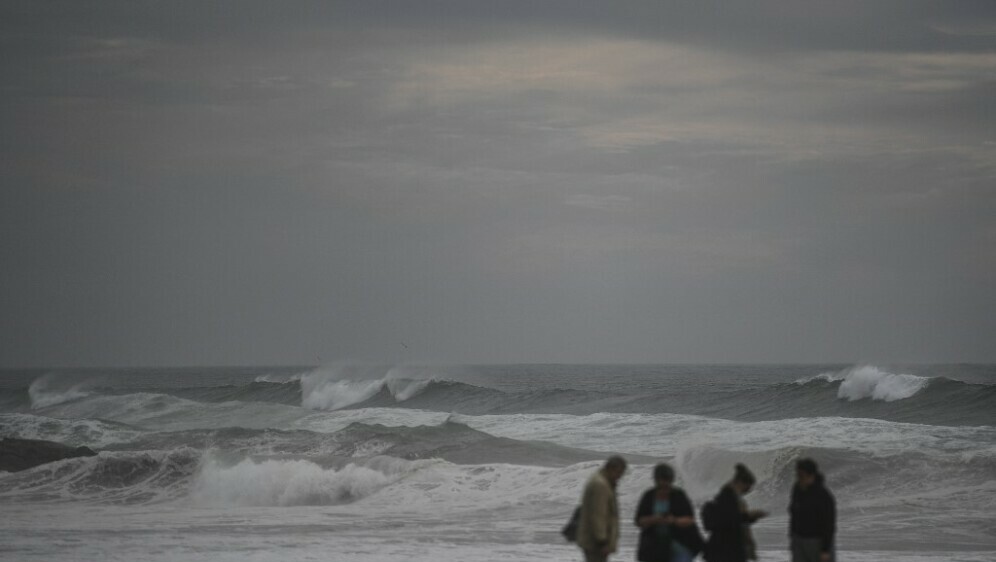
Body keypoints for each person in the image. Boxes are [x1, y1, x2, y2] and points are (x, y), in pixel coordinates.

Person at [634, 463, 705, 562]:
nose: (664, 487)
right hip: (653, 545)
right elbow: (639, 521)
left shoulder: (679, 496)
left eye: (667, 483)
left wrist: (674, 520)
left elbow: (690, 519)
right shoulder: (649, 496)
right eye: (661, 483)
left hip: (678, 542)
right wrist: (654, 519)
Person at [703, 463, 767, 562]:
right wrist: (749, 516)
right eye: (748, 487)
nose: (748, 491)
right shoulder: (728, 497)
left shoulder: (726, 497)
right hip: (726, 550)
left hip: (720, 549)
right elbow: (731, 521)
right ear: (740, 483)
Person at [578, 456, 627, 562]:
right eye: (618, 472)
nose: (619, 476)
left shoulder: (601, 480)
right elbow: (598, 515)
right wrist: (602, 542)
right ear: (610, 469)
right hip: (595, 543)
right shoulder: (601, 485)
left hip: (592, 540)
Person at [789, 458, 836, 562]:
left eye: (802, 476)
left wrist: (825, 550)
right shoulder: (797, 489)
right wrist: (792, 538)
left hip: (818, 542)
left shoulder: (823, 495)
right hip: (799, 540)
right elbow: (793, 515)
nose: (799, 478)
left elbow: (828, 524)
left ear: (811, 475)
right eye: (797, 475)